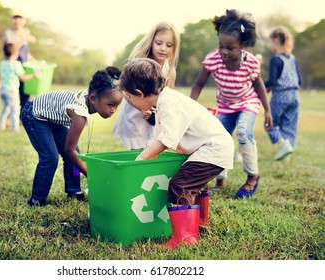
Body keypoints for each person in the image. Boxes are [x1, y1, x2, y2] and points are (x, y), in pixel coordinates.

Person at [120, 58, 234, 248]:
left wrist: (142, 158)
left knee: (180, 184)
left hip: (213, 149)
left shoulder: (169, 104)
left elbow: (166, 139)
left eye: (129, 98)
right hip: (211, 148)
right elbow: (159, 136)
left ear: (139, 93)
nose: (130, 102)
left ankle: (185, 238)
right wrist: (148, 151)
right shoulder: (166, 101)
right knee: (194, 183)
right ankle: (199, 224)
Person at [190, 9, 273, 198]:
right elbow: (198, 84)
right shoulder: (213, 60)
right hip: (225, 106)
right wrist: (191, 107)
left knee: (243, 132)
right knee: (219, 139)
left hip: (247, 103)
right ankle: (220, 179)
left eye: (230, 47)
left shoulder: (250, 63)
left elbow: (259, 86)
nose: (224, 51)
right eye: (221, 46)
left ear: (243, 45)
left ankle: (252, 177)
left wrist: (267, 110)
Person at [20, 67, 123, 207]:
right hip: (34, 114)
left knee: (76, 155)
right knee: (50, 157)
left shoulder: (93, 97)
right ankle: (37, 200)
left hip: (51, 118)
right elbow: (69, 150)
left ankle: (74, 191)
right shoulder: (79, 113)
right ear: (93, 98)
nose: (113, 110)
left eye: (117, 105)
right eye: (110, 105)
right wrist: (90, 174)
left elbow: (72, 151)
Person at [113, 21, 180, 149]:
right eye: (159, 43)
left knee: (152, 145)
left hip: (154, 116)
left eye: (169, 45)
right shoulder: (139, 63)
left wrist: (155, 112)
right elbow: (125, 91)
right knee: (137, 146)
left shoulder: (170, 70)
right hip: (135, 113)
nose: (163, 48)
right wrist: (142, 109)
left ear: (174, 48)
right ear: (151, 41)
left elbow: (169, 97)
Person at [264, 27, 302, 161]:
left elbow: (272, 81)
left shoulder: (275, 59)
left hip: (281, 95)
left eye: (270, 41)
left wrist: (258, 84)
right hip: (295, 95)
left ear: (275, 40)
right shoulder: (293, 59)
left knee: (269, 123)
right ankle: (286, 155)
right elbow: (300, 80)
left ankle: (282, 144)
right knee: (289, 125)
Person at [0, 43, 39, 132]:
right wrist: (34, 75)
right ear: (15, 53)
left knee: (4, 108)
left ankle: (0, 126)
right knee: (15, 109)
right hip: (12, 90)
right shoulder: (16, 64)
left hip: (3, 89)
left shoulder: (2, 63)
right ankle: (15, 128)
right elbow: (22, 78)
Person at [4, 12, 37, 111]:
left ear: (24, 21)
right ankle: (9, 118)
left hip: (25, 66)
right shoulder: (8, 33)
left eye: (19, 18)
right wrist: (23, 39)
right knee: (13, 92)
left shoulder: (26, 32)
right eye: (15, 18)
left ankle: (22, 117)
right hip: (12, 66)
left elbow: (26, 52)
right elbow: (11, 49)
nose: (17, 20)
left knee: (25, 93)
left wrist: (35, 62)